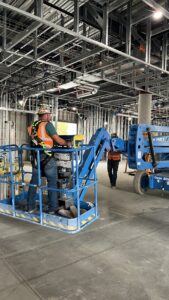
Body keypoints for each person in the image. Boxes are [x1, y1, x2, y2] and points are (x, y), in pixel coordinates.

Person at [27, 105, 71, 214]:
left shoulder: (32, 126)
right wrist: (67, 143)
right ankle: (52, 208)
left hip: (36, 157)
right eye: (49, 115)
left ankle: (30, 207)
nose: (50, 116)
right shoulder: (48, 125)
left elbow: (40, 139)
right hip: (47, 157)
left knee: (34, 182)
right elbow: (58, 140)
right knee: (52, 183)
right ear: (46, 115)